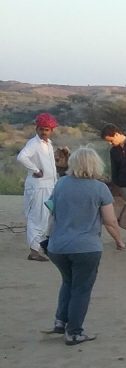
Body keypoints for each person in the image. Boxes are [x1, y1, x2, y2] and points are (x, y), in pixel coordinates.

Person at [44, 147, 125, 344]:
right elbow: (110, 221)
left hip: (57, 246)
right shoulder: (100, 188)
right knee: (81, 288)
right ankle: (74, 332)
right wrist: (119, 240)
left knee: (68, 281)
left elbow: (52, 213)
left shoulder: (61, 184)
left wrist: (48, 237)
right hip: (86, 248)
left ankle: (60, 321)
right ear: (95, 165)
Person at [16, 112, 60, 261]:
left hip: (49, 186)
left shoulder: (48, 144)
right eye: (41, 129)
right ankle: (34, 251)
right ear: (37, 129)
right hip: (38, 187)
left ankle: (42, 247)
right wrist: (35, 170)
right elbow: (22, 157)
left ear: (51, 130)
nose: (43, 132)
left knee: (47, 218)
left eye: (46, 129)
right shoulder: (33, 143)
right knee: (37, 218)